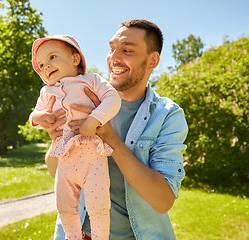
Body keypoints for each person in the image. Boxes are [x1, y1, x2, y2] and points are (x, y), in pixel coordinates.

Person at [44, 20, 188, 240]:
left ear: (153, 60)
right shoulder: (81, 98)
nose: (114, 58)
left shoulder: (168, 115)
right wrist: (56, 139)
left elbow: (163, 201)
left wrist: (111, 138)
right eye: (111, 49)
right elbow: (56, 171)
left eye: (127, 50)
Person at [29, 35, 121, 240]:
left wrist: (94, 120)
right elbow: (33, 115)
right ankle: (72, 237)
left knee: (99, 205)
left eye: (52, 57)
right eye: (41, 64)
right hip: (65, 156)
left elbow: (112, 99)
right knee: (64, 205)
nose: (46, 66)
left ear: (75, 59)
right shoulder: (46, 92)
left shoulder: (92, 80)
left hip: (92, 153)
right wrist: (39, 117)